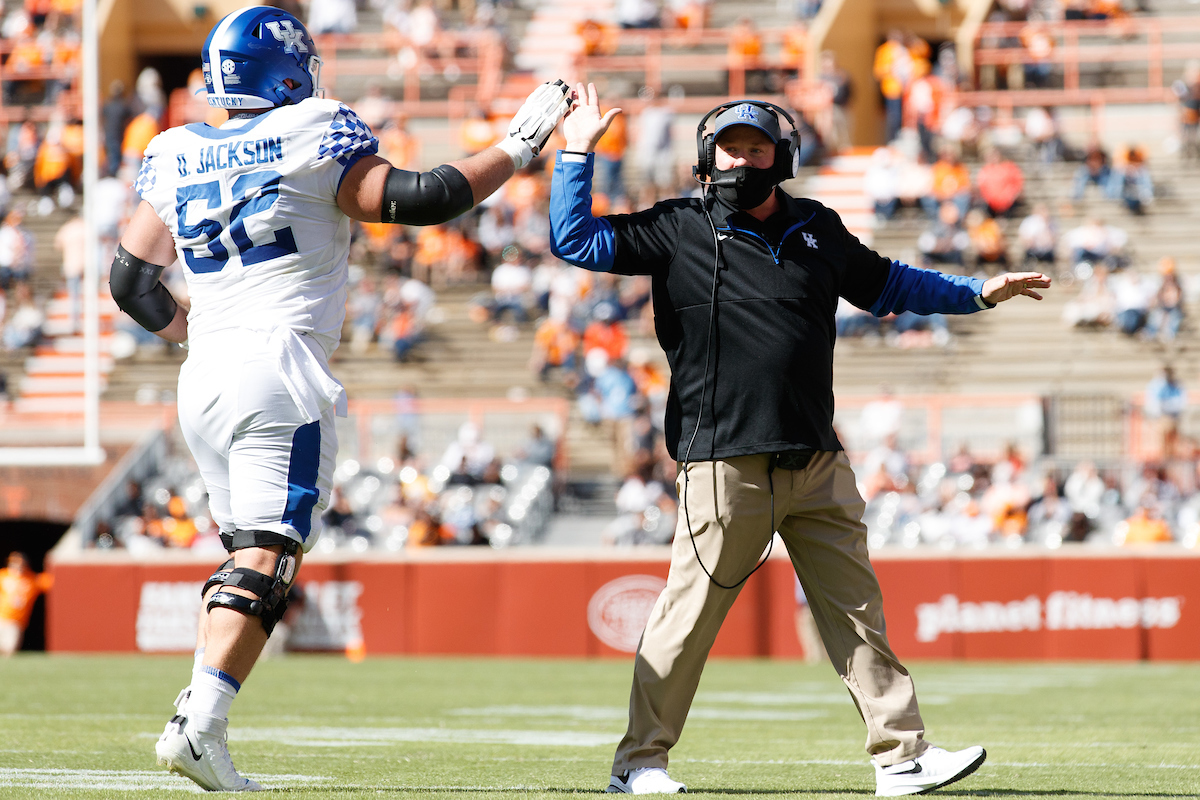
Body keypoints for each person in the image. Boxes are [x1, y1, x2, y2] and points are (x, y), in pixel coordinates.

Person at [109, 6, 571, 792]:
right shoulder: (312, 127)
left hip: (206, 372)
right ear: (288, 72)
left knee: (247, 550)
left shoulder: (173, 149)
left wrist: (199, 332)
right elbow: (421, 198)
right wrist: (519, 148)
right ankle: (202, 724)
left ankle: (196, 715)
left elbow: (129, 282)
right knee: (269, 553)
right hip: (279, 364)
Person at [551, 85, 1050, 796]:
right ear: (705, 156)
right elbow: (576, 240)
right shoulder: (677, 227)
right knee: (686, 620)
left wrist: (974, 291)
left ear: (780, 156)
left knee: (857, 612)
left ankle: (901, 758)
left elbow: (885, 283)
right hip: (724, 458)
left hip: (816, 455)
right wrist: (576, 152)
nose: (742, 160)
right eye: (729, 148)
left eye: (756, 148)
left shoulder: (816, 226)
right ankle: (639, 764)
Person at [0, 551, 53, 656]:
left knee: (9, 648)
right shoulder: (3, 575)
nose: (15, 566)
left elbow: (51, 581)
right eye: (13, 563)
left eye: (18, 563)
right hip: (1, 617)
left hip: (17, 621)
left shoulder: (31, 579)